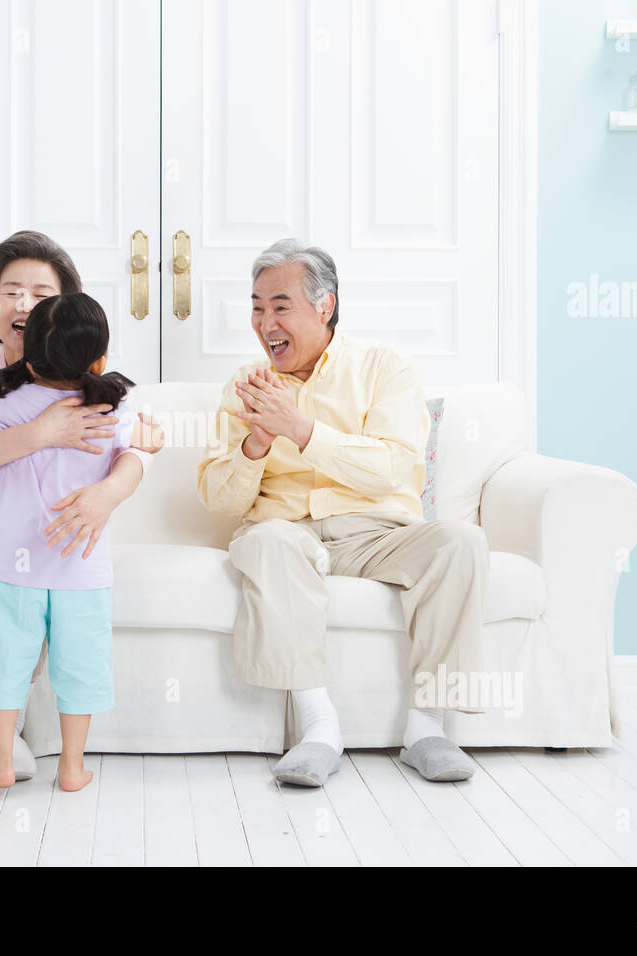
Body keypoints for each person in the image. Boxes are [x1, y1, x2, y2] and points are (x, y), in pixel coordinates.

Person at [197, 238, 488, 787]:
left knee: (460, 542)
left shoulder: (385, 367)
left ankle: (427, 729)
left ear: (324, 305)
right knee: (264, 541)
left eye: (280, 305)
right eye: (257, 307)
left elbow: (394, 469)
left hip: (377, 532)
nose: (265, 322)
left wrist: (301, 430)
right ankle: (319, 729)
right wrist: (255, 446)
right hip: (286, 533)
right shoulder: (247, 384)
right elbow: (220, 502)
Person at [0, 231, 163, 782]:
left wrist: (111, 490)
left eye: (39, 293)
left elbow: (141, 444)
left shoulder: (97, 393)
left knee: (21, 636)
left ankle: (4, 744)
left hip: (40, 551)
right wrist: (41, 431)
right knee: (58, 637)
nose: (23, 304)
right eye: (11, 291)